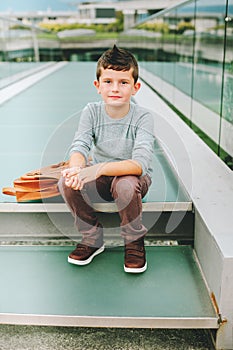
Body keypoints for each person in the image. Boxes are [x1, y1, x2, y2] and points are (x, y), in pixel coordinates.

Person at [58, 45, 155, 273]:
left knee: (126, 185)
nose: (115, 88)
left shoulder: (143, 117)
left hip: (133, 179)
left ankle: (133, 241)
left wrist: (98, 169)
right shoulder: (91, 111)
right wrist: (76, 170)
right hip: (101, 177)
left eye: (123, 82)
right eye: (108, 82)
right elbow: (80, 146)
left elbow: (139, 164)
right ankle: (92, 238)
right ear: (97, 86)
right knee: (67, 183)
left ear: (135, 87)